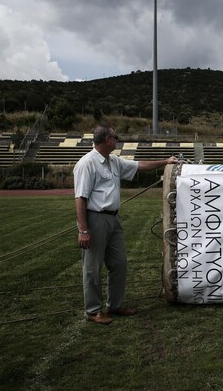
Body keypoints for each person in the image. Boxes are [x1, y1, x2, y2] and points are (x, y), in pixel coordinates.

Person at [74, 125, 179, 325]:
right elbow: (80, 199)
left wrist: (166, 162)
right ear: (107, 140)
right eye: (115, 137)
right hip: (95, 219)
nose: (117, 140)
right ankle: (93, 310)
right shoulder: (86, 164)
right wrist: (84, 230)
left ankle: (116, 305)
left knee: (119, 263)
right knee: (92, 267)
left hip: (113, 219)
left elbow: (140, 165)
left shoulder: (113, 161)